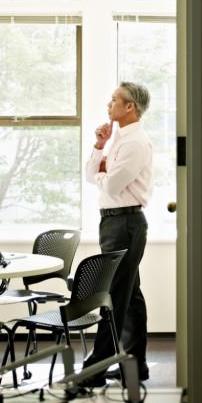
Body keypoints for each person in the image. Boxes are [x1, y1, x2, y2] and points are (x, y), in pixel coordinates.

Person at [81, 81, 154, 386]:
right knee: (130, 294)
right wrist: (99, 146)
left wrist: (103, 175)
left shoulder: (135, 143)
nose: (108, 105)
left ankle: (96, 367)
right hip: (114, 222)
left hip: (124, 223)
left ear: (130, 107)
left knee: (114, 295)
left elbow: (111, 185)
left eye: (114, 100)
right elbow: (92, 175)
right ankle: (135, 365)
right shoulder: (117, 139)